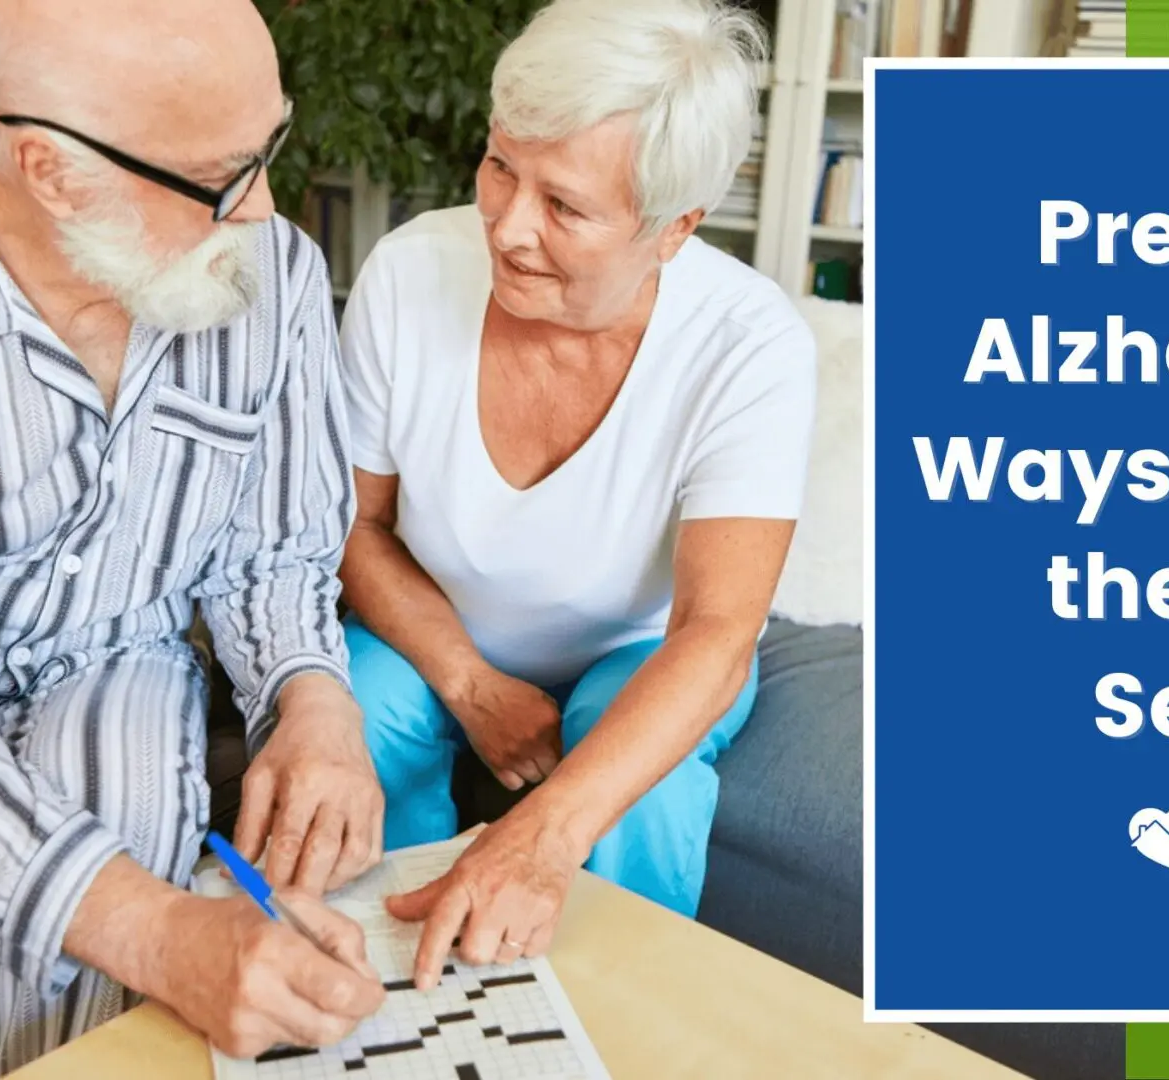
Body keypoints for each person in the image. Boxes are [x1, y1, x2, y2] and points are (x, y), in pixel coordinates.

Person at [0, 0, 388, 1074]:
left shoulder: (268, 270)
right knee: (131, 874)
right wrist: (159, 934)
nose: (268, 210)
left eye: (270, 147)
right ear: (48, 169)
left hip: (116, 671)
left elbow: (274, 549)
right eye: (224, 174)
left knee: (130, 758)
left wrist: (314, 699)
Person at [336, 0, 817, 988]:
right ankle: (376, 1003)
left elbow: (717, 632)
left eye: (564, 206)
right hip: (427, 632)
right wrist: (471, 685)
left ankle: (607, 1026)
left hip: (639, 646)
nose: (507, 227)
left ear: (672, 228)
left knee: (646, 793)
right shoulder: (408, 273)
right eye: (500, 166)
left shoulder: (749, 344)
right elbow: (356, 526)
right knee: (348, 706)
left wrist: (544, 836)